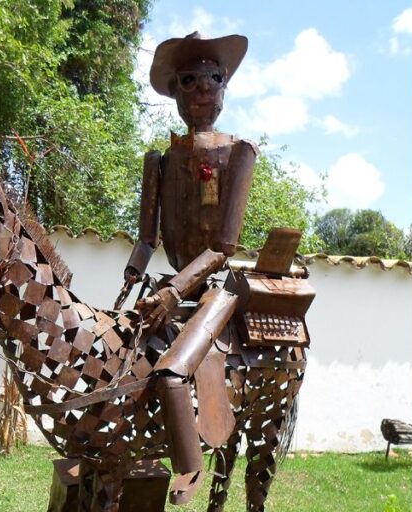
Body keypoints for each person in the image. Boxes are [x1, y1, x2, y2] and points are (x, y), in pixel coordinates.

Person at [124, 31, 258, 505]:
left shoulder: (238, 153)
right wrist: (131, 283)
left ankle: (190, 471)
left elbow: (224, 246)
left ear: (225, 87)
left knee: (174, 369)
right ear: (175, 90)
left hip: (215, 284)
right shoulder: (160, 161)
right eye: (189, 79)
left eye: (213, 77)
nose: (202, 87)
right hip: (170, 284)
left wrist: (174, 291)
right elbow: (147, 238)